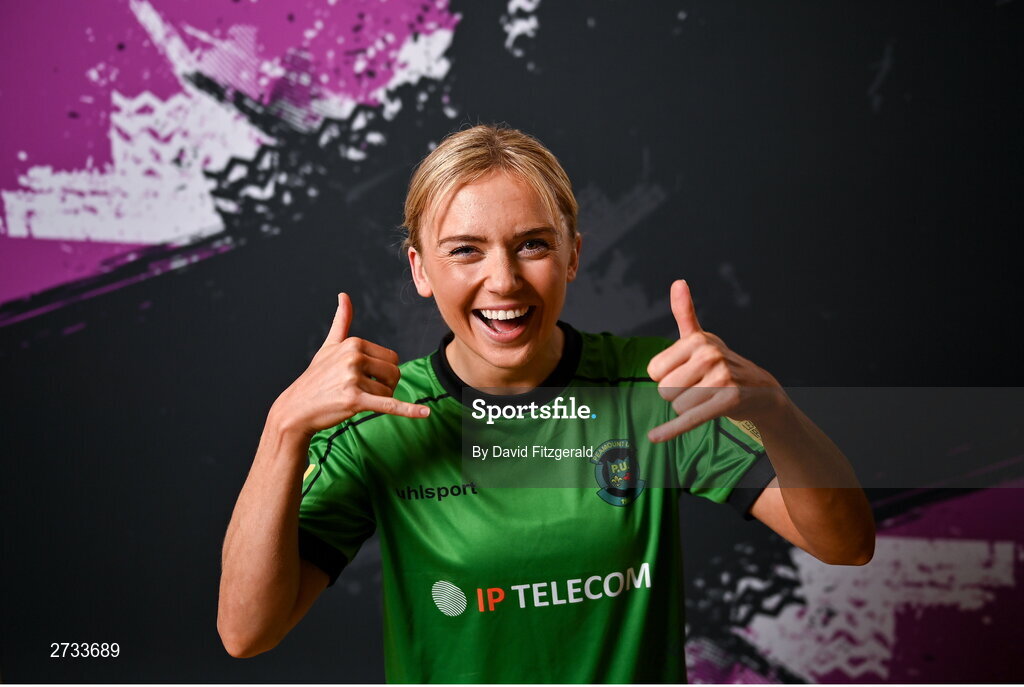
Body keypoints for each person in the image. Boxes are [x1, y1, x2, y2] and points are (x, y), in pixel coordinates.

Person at [217, 125, 875, 682]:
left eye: (532, 244)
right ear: (421, 269)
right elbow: (247, 632)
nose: (502, 280)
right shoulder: (378, 422)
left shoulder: (652, 389)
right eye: (465, 251)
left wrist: (776, 411)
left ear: (571, 256)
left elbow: (847, 544)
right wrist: (283, 429)